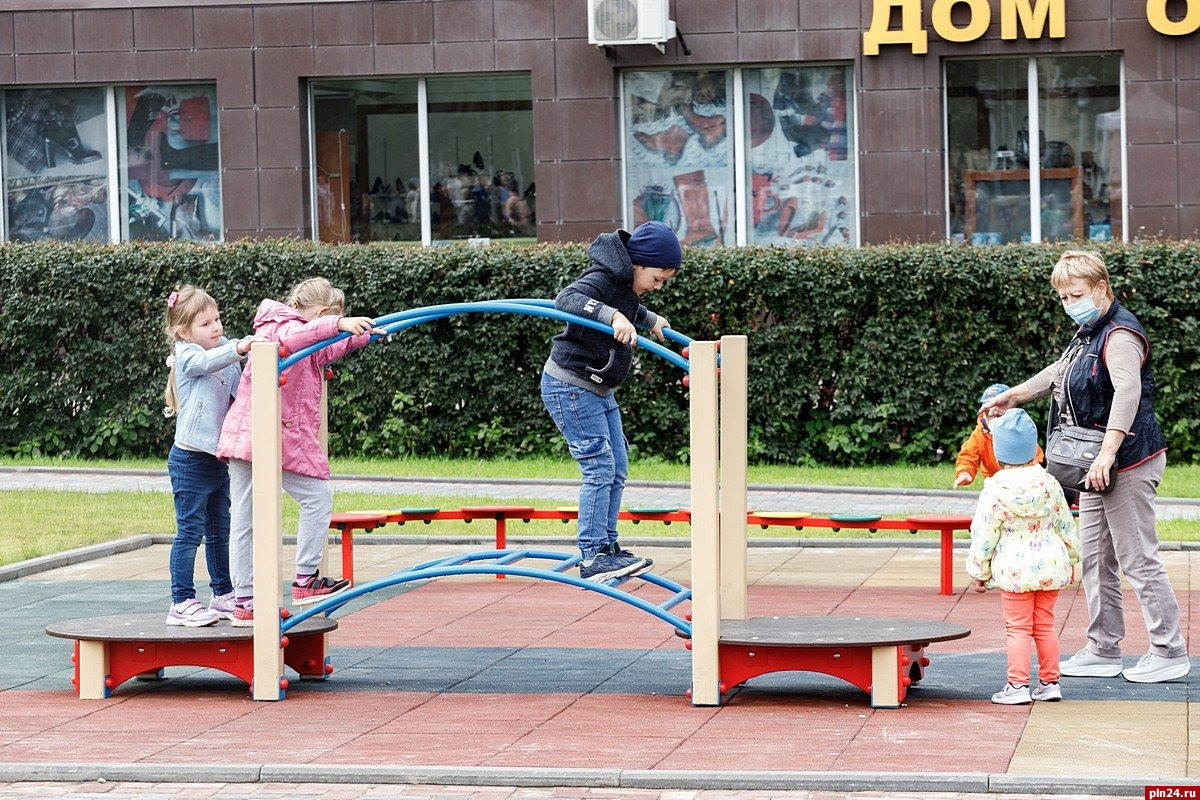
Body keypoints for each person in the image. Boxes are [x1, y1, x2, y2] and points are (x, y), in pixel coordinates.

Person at [981, 250, 1187, 684]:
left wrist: (1109, 454)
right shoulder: (1088, 331)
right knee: (1094, 557)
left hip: (1128, 461)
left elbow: (1128, 392)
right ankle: (1103, 648)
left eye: (1075, 294)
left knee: (1138, 559)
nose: (1068, 302)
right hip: (1095, 464)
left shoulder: (1120, 335)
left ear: (1100, 288)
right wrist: (1012, 396)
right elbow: (1059, 372)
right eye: (1062, 296)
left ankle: (1169, 651)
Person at [216, 277, 383, 626]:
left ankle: (305, 579)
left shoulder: (310, 338)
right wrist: (338, 324)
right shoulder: (279, 326)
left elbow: (326, 348)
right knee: (247, 518)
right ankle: (247, 599)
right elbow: (295, 338)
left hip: (278, 439)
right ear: (321, 314)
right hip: (253, 436)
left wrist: (363, 335)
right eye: (329, 320)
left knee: (316, 496)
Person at [541, 220, 681, 583]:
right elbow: (567, 299)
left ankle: (607, 547)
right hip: (570, 385)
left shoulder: (628, 287)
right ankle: (592, 556)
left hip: (598, 388)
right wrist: (614, 316)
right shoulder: (604, 277)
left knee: (617, 465)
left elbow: (628, 306)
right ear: (638, 263)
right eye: (657, 278)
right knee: (599, 466)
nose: (657, 286)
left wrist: (648, 319)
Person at [965, 408, 1080, 704]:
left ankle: (1017, 687)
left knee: (1017, 628)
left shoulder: (995, 488)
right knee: (1044, 625)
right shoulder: (1050, 482)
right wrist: (1073, 559)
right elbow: (1065, 523)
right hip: (1050, 566)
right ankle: (1050, 682)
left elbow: (984, 533)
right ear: (1034, 450)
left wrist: (979, 571)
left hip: (1015, 569)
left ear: (999, 453)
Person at [161, 285, 255, 627]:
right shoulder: (187, 355)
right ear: (185, 332)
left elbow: (238, 374)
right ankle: (181, 600)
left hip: (217, 458)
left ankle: (223, 593)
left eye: (217, 319)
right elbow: (208, 361)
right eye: (206, 323)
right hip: (189, 460)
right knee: (190, 531)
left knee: (220, 530)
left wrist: (250, 351)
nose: (216, 327)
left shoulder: (222, 348)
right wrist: (239, 347)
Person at [953, 383, 1044, 488]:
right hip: (995, 483)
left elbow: (1034, 455)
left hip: (1022, 482)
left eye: (998, 412)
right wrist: (965, 473)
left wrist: (1033, 477)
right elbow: (968, 454)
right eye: (988, 411)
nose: (993, 416)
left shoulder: (1020, 431)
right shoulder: (979, 434)